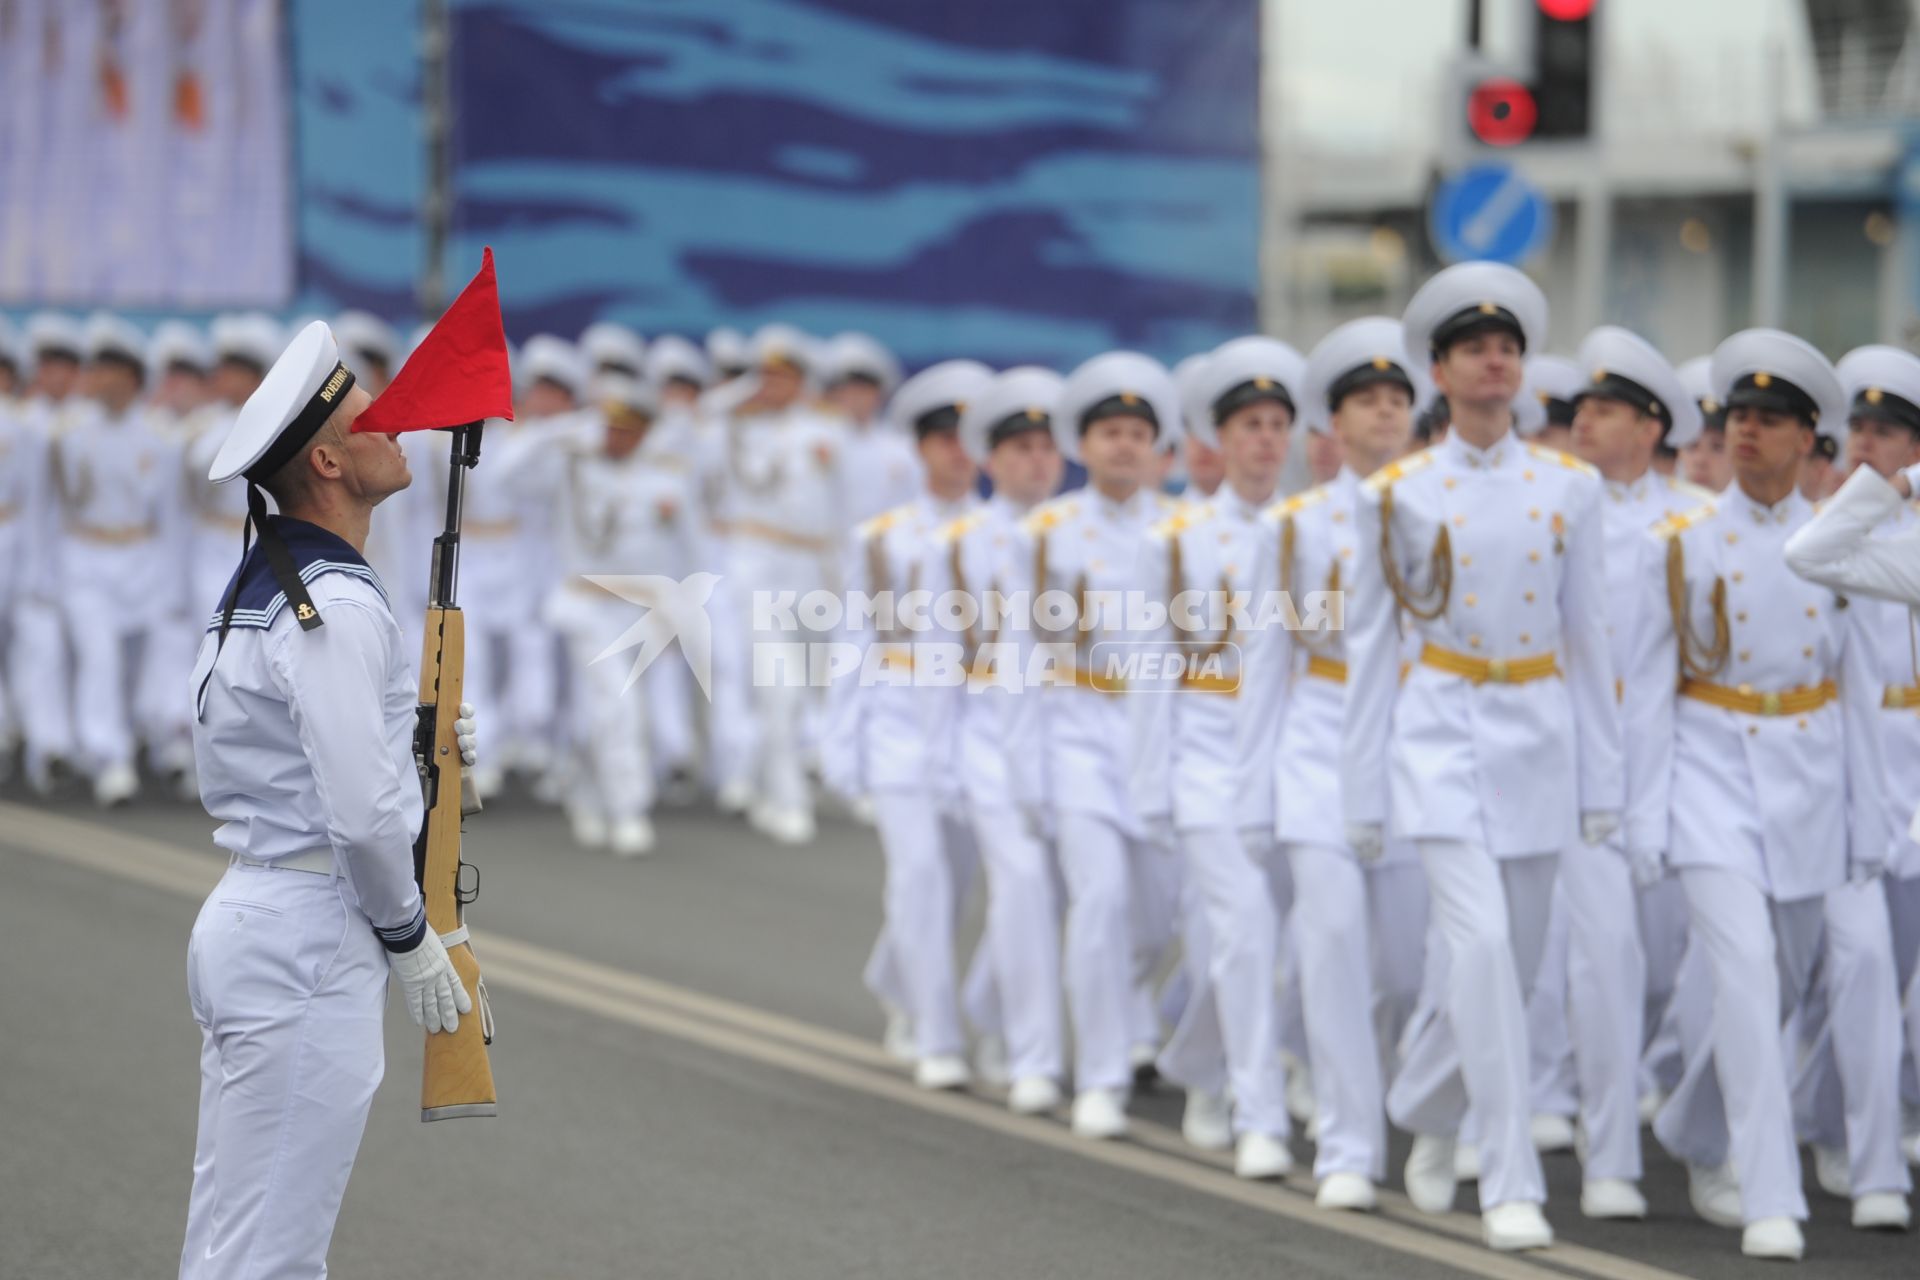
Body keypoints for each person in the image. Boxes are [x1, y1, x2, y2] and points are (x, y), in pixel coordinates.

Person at [179, 320, 474, 1279]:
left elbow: (296, 751)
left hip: (267, 911)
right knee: (272, 1255)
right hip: (308, 931)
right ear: (331, 463)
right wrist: (408, 936)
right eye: (369, 416)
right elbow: (354, 811)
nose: (395, 425)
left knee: (231, 1238)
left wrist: (422, 744)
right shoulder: (336, 603)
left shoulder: (281, 580)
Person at [1344, 262, 1621, 1253]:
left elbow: (1591, 642)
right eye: (1473, 349)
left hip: (1540, 733)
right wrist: (1361, 788)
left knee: (1518, 958)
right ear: (1441, 370)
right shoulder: (1398, 493)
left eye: (1506, 347)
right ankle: (1509, 1179)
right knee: (1484, 947)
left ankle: (1420, 1097)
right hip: (1443, 727)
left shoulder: (1572, 486)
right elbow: (1372, 649)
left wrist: (1605, 780)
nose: (1493, 361)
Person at [1624, 329, 1888, 1261]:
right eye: (1737, 415)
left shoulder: (1840, 547)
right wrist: (1644, 816)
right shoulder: (1682, 542)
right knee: (1738, 971)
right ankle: (1770, 1191)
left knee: (1776, 979)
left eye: (1770, 419)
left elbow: (1861, 696)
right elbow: (1651, 693)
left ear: (1811, 439)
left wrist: (1873, 818)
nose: (1745, 431)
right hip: (1709, 771)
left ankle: (1695, 1129)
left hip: (1810, 776)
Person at [1269, 315, 1432, 1212]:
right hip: (1321, 742)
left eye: (1398, 399)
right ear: (1332, 425)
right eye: (1367, 401)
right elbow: (1268, 669)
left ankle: (1419, 1108)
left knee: (1410, 967)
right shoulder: (1294, 527)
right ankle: (1346, 1143)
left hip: (1416, 743)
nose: (1385, 413)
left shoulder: (1440, 508)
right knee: (1330, 944)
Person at [1131, 337, 1302, 1180]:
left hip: (1293, 759)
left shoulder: (1314, 529)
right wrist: (1151, 784)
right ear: (1219, 440)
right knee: (1241, 927)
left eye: (1278, 424)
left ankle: (1200, 1062)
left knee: (1277, 936)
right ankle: (1255, 1107)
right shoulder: (1176, 538)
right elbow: (1153, 669)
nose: (1266, 440)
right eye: (1250, 425)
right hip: (1206, 752)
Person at [1007, 351, 1186, 1140]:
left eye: (1138, 432)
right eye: (1110, 431)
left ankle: (1127, 1009)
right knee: (1101, 901)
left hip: (1161, 733)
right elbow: (1018, 656)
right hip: (1076, 725)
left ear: (1157, 446)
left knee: (1158, 916)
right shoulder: (1044, 533)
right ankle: (1101, 1076)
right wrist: (1027, 771)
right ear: (1082, 445)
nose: (1124, 445)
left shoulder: (1185, 529)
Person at [1782, 344, 1920, 1222]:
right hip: (1867, 765)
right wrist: (1894, 487)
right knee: (1866, 967)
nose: (1868, 442)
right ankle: (1847, 1134)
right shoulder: (1894, 535)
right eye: (1859, 429)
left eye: (1889, 432)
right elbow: (1812, 551)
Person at [828, 359, 994, 1088]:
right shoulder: (881, 538)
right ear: (920, 449)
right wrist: (840, 746)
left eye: (968, 438)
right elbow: (852, 646)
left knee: (958, 885)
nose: (957, 452)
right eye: (943, 438)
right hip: (898, 728)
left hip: (979, 730)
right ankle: (938, 1033)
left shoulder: (1008, 534)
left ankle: (896, 981)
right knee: (921, 876)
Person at [921, 366, 1070, 1113]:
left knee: (1076, 891)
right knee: (1022, 882)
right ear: (990, 458)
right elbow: (939, 660)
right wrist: (941, 757)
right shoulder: (956, 545)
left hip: (1073, 728)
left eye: (1047, 446)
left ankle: (984, 1006)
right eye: (1020, 448)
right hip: (986, 729)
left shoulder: (1085, 531)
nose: (1037, 461)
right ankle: (1032, 1055)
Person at [529, 373, 701, 855]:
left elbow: (690, 549)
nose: (616, 437)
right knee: (617, 706)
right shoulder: (571, 464)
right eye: (610, 426)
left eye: (627, 428)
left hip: (642, 609)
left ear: (645, 430)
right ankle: (628, 809)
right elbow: (505, 476)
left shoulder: (669, 475)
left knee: (603, 713)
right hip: (586, 605)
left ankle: (585, 789)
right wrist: (557, 428)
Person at [53, 315, 187, 805]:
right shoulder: (68, 433)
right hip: (85, 559)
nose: (99, 380)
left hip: (142, 560)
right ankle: (109, 757)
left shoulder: (160, 436)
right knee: (99, 656)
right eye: (96, 368)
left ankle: (132, 741)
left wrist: (171, 585)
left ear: (131, 377)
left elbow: (172, 517)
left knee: (137, 666)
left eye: (110, 369)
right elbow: (53, 510)